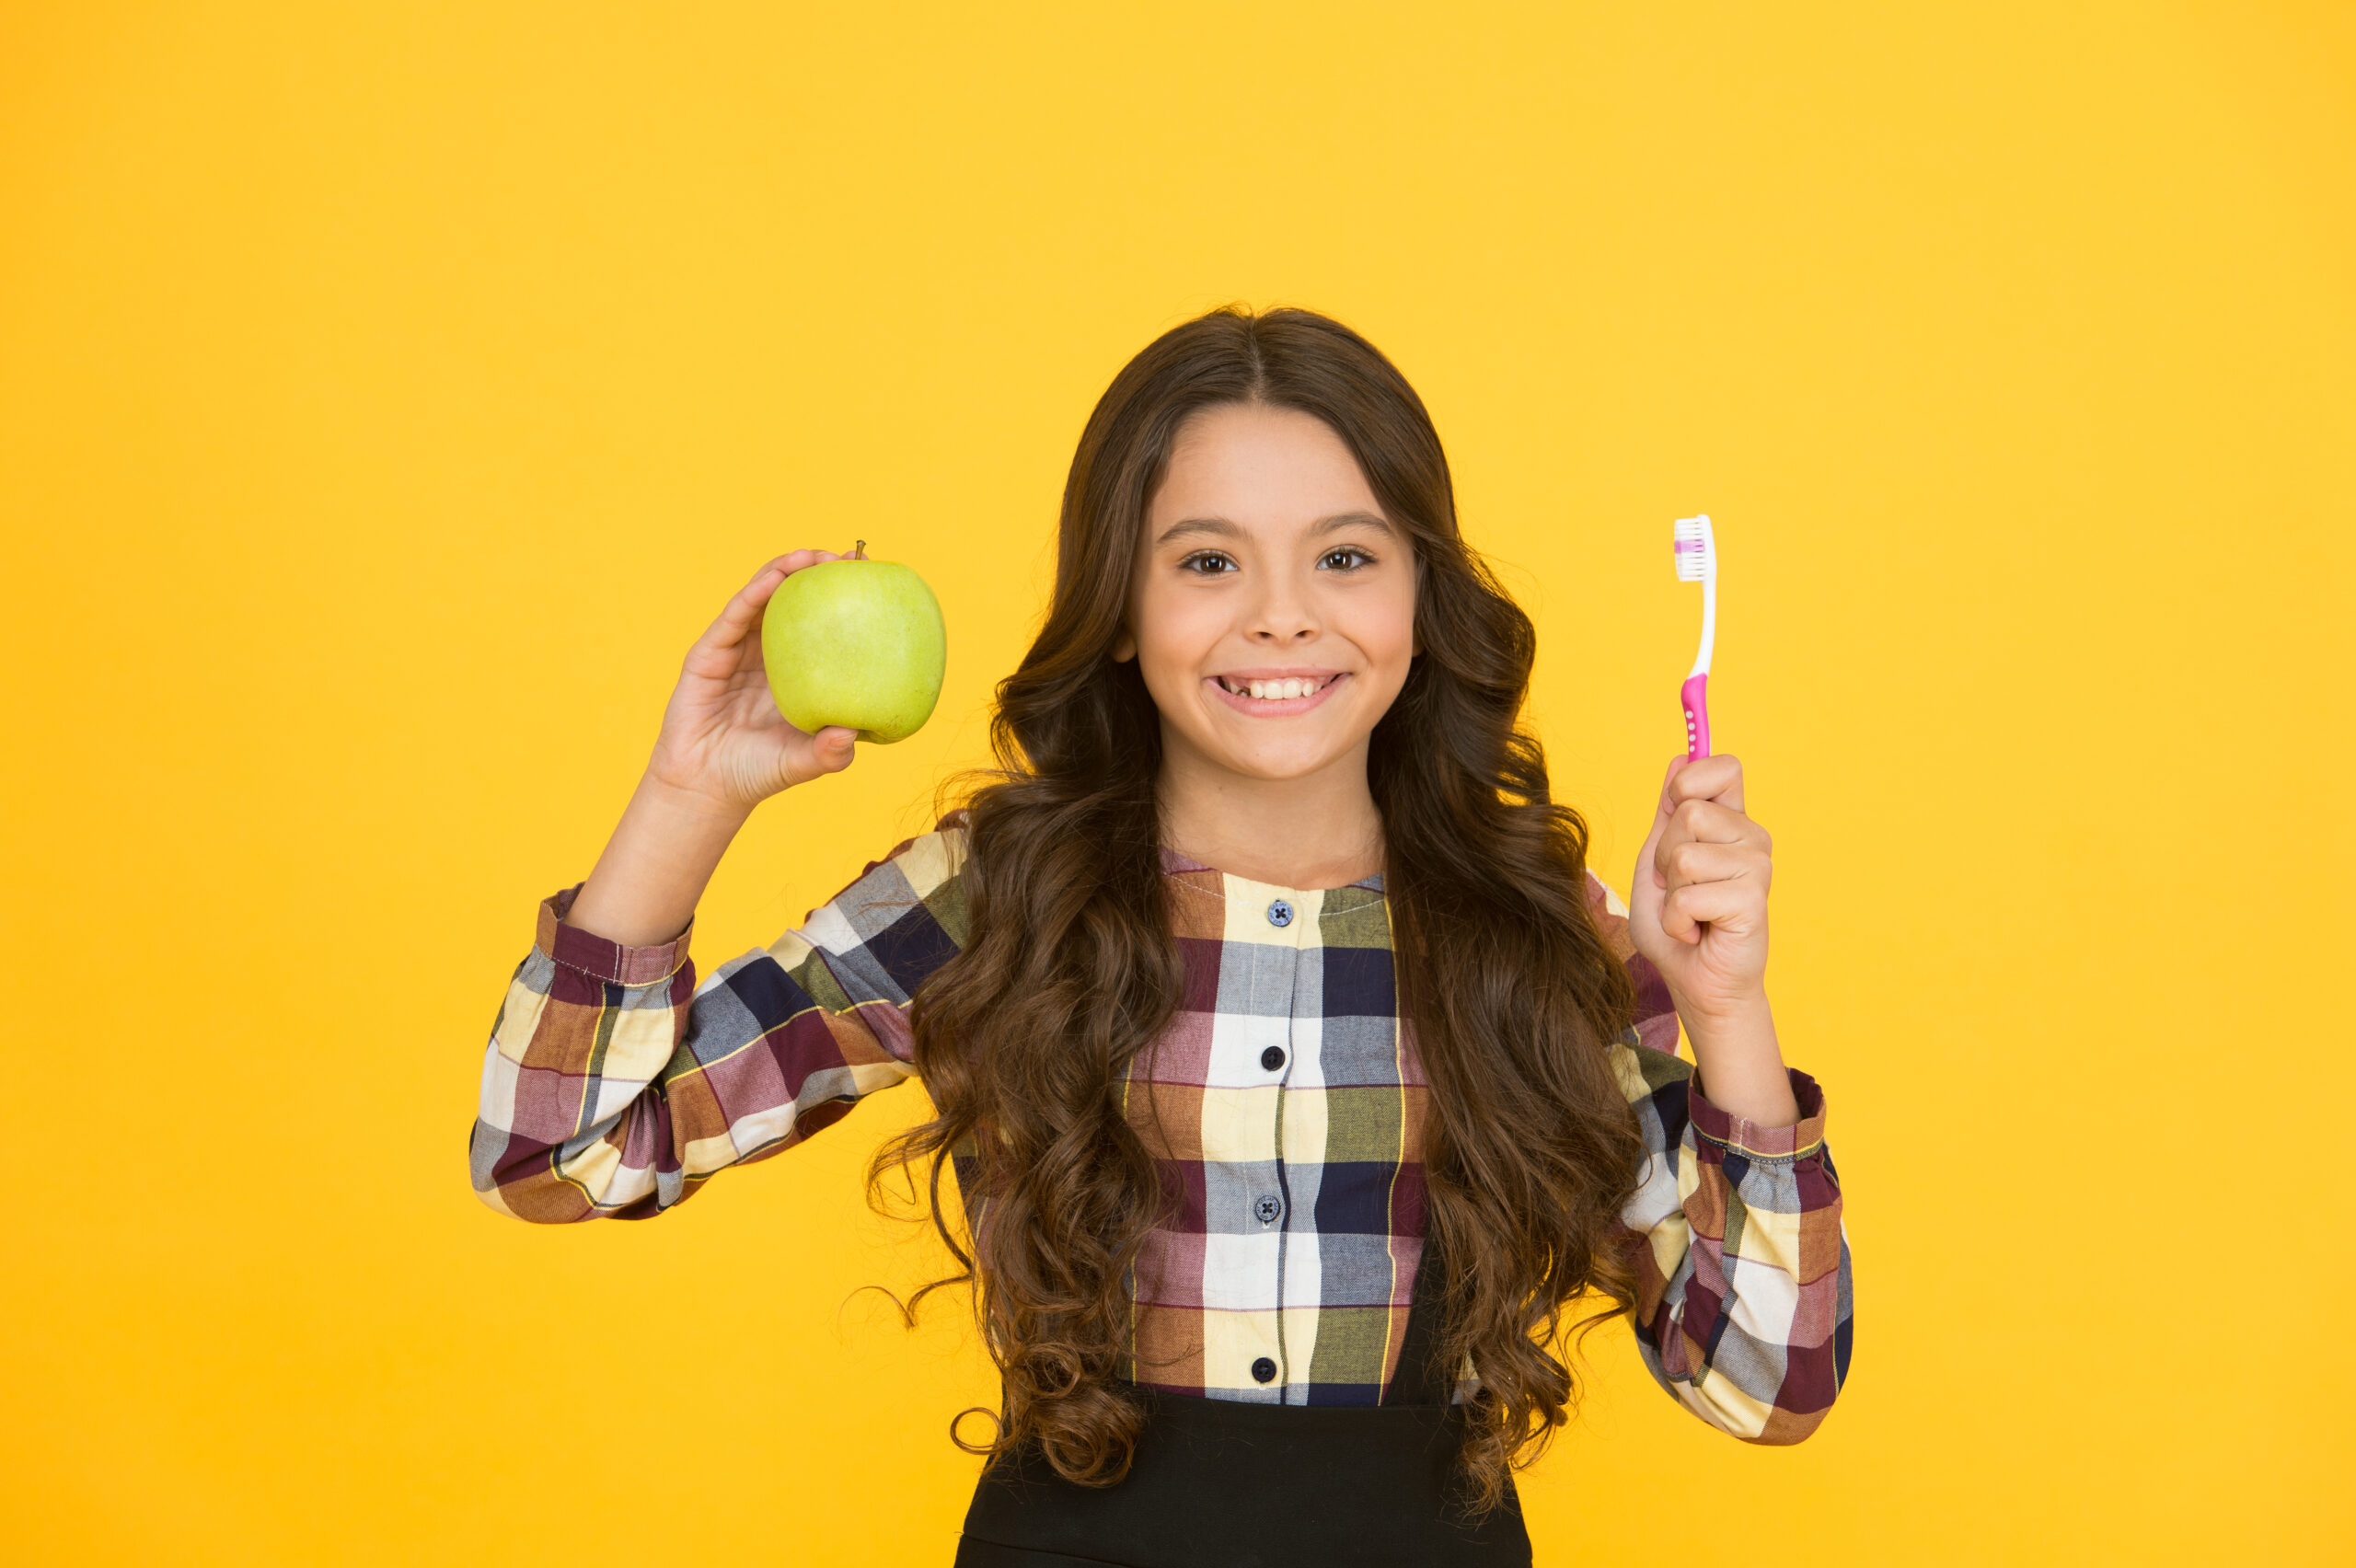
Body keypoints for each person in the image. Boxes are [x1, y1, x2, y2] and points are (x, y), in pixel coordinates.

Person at [468, 306, 1852, 1567]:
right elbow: (559, 1158)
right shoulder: (991, 896)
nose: (1281, 614)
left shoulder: (1540, 939)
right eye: (1206, 561)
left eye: (1346, 556)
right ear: (1120, 612)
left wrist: (1727, 1007)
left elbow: (1770, 1382)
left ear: (1420, 600)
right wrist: (690, 796)